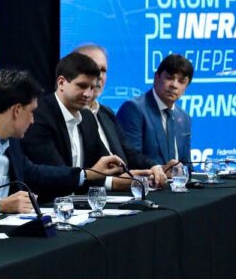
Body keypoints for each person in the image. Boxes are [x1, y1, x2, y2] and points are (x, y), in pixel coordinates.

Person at [0, 70, 124, 217]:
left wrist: (88, 174)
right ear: (17, 110)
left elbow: (36, 173)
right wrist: (0, 205)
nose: (32, 120)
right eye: (31, 112)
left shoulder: (12, 138)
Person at [21, 53, 149, 198]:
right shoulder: (38, 116)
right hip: (46, 203)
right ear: (61, 82)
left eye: (92, 88)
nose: (88, 94)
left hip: (81, 203)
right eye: (82, 86)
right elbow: (55, 176)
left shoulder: (88, 117)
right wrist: (109, 180)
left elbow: (102, 166)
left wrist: (128, 175)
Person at [73, 44, 167, 188]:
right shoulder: (69, 114)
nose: (99, 76)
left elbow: (129, 153)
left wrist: (155, 167)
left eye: (103, 70)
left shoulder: (106, 113)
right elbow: (73, 172)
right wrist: (114, 182)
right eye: (93, 69)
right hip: (91, 194)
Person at [116, 54, 194, 167]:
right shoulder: (133, 109)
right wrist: (162, 170)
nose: (174, 85)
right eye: (169, 78)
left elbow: (186, 163)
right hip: (146, 178)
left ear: (186, 88)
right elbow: (130, 158)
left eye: (181, 81)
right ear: (156, 78)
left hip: (178, 179)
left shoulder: (184, 117)